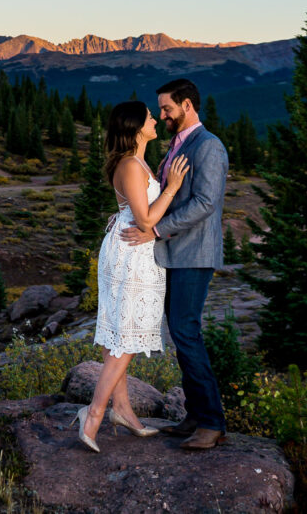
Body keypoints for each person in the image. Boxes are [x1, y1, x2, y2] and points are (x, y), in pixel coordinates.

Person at [72, 100, 188, 452]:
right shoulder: (131, 165)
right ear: (137, 127)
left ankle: (122, 410)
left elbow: (137, 214)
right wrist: (172, 185)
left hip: (133, 251)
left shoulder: (137, 162)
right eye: (150, 117)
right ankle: (92, 414)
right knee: (125, 339)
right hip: (131, 255)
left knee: (122, 337)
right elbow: (146, 221)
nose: (156, 119)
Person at [121, 78, 229, 450]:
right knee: (181, 333)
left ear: (187, 105)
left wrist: (156, 231)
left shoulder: (209, 146)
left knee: (186, 332)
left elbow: (205, 203)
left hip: (194, 253)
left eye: (166, 108)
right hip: (176, 253)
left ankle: (212, 422)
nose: (162, 114)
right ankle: (197, 415)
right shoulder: (178, 144)